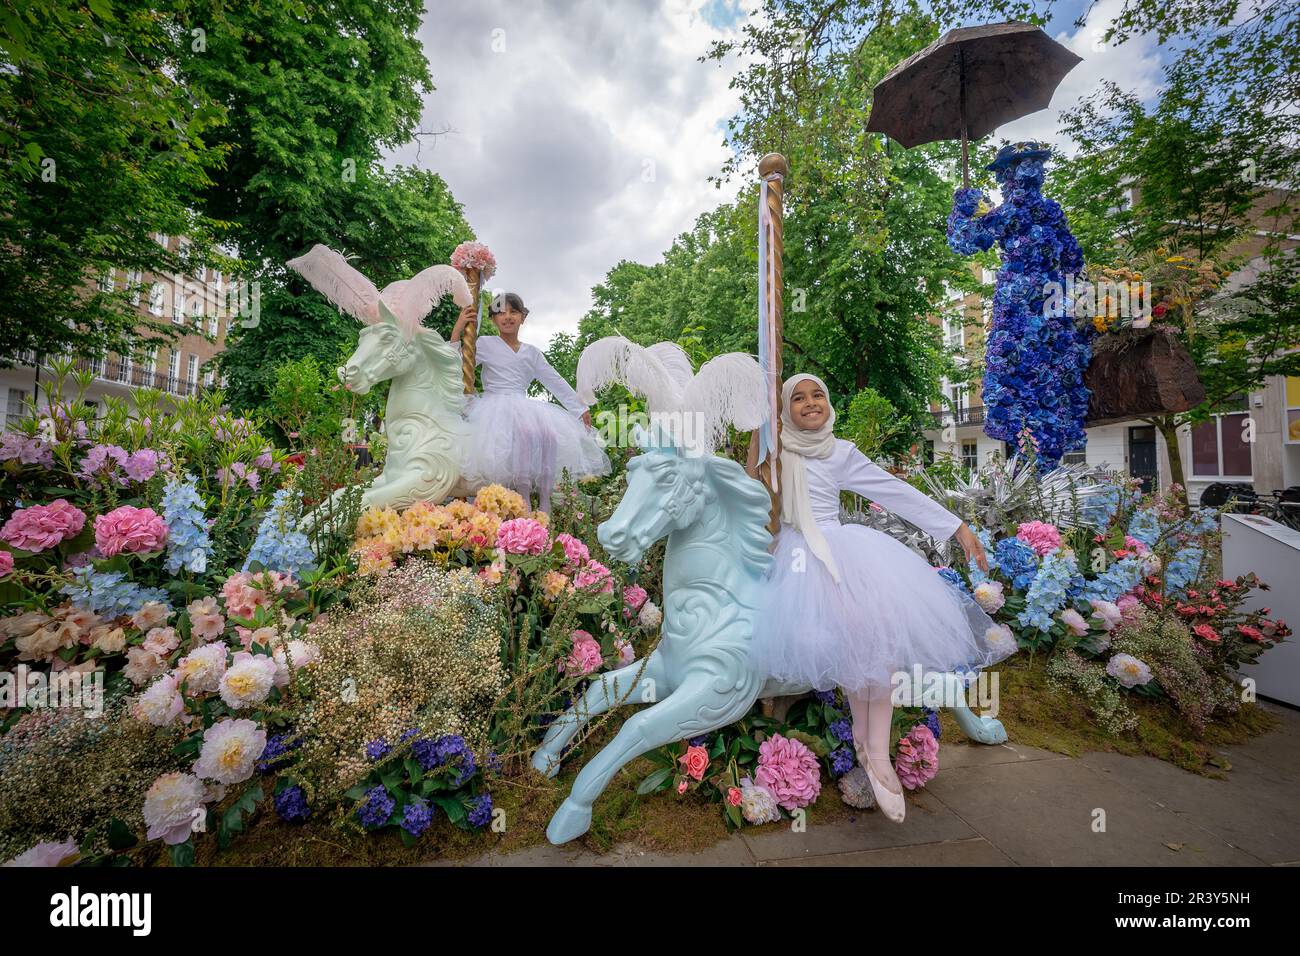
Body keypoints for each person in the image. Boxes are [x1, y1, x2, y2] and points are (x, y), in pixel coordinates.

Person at [746, 373, 1007, 822]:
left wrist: (955, 527)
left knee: (877, 634)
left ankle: (875, 749)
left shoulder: (840, 452)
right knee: (851, 638)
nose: (810, 403)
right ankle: (864, 744)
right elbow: (750, 490)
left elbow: (895, 491)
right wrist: (758, 432)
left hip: (843, 552)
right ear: (784, 409)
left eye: (818, 396)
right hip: (796, 559)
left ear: (829, 404)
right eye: (798, 398)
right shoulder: (777, 450)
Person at [451, 292, 609, 511]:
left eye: (513, 311)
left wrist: (579, 408)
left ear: (523, 317)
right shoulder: (485, 344)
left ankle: (544, 499)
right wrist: (458, 331)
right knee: (523, 435)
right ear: (493, 319)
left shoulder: (531, 353)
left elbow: (554, 380)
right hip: (494, 405)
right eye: (501, 312)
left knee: (549, 434)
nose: (507, 317)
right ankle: (522, 497)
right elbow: (455, 365)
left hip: (521, 403)